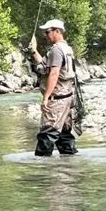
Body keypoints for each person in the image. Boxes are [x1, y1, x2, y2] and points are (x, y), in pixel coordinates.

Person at [30, 19, 77, 157]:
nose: (45, 35)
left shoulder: (56, 50)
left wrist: (46, 98)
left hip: (57, 100)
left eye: (48, 32)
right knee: (64, 136)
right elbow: (45, 66)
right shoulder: (66, 48)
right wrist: (33, 51)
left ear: (58, 31)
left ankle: (42, 170)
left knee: (47, 135)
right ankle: (69, 164)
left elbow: (54, 73)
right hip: (67, 98)